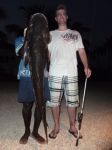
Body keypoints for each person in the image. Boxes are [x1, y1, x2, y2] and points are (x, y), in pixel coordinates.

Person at [47, 4, 92, 139]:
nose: (61, 16)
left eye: (63, 14)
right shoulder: (50, 34)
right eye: (58, 14)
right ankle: (56, 127)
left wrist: (86, 66)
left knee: (72, 102)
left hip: (72, 72)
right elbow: (47, 54)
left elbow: (82, 51)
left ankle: (72, 126)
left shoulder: (75, 34)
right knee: (54, 103)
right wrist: (50, 66)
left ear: (66, 17)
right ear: (56, 18)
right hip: (55, 73)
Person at [15, 29, 50, 144]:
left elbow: (49, 58)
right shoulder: (20, 39)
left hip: (41, 78)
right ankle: (26, 131)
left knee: (40, 105)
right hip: (26, 76)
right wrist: (27, 39)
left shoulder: (43, 41)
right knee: (27, 105)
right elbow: (20, 54)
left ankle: (35, 132)